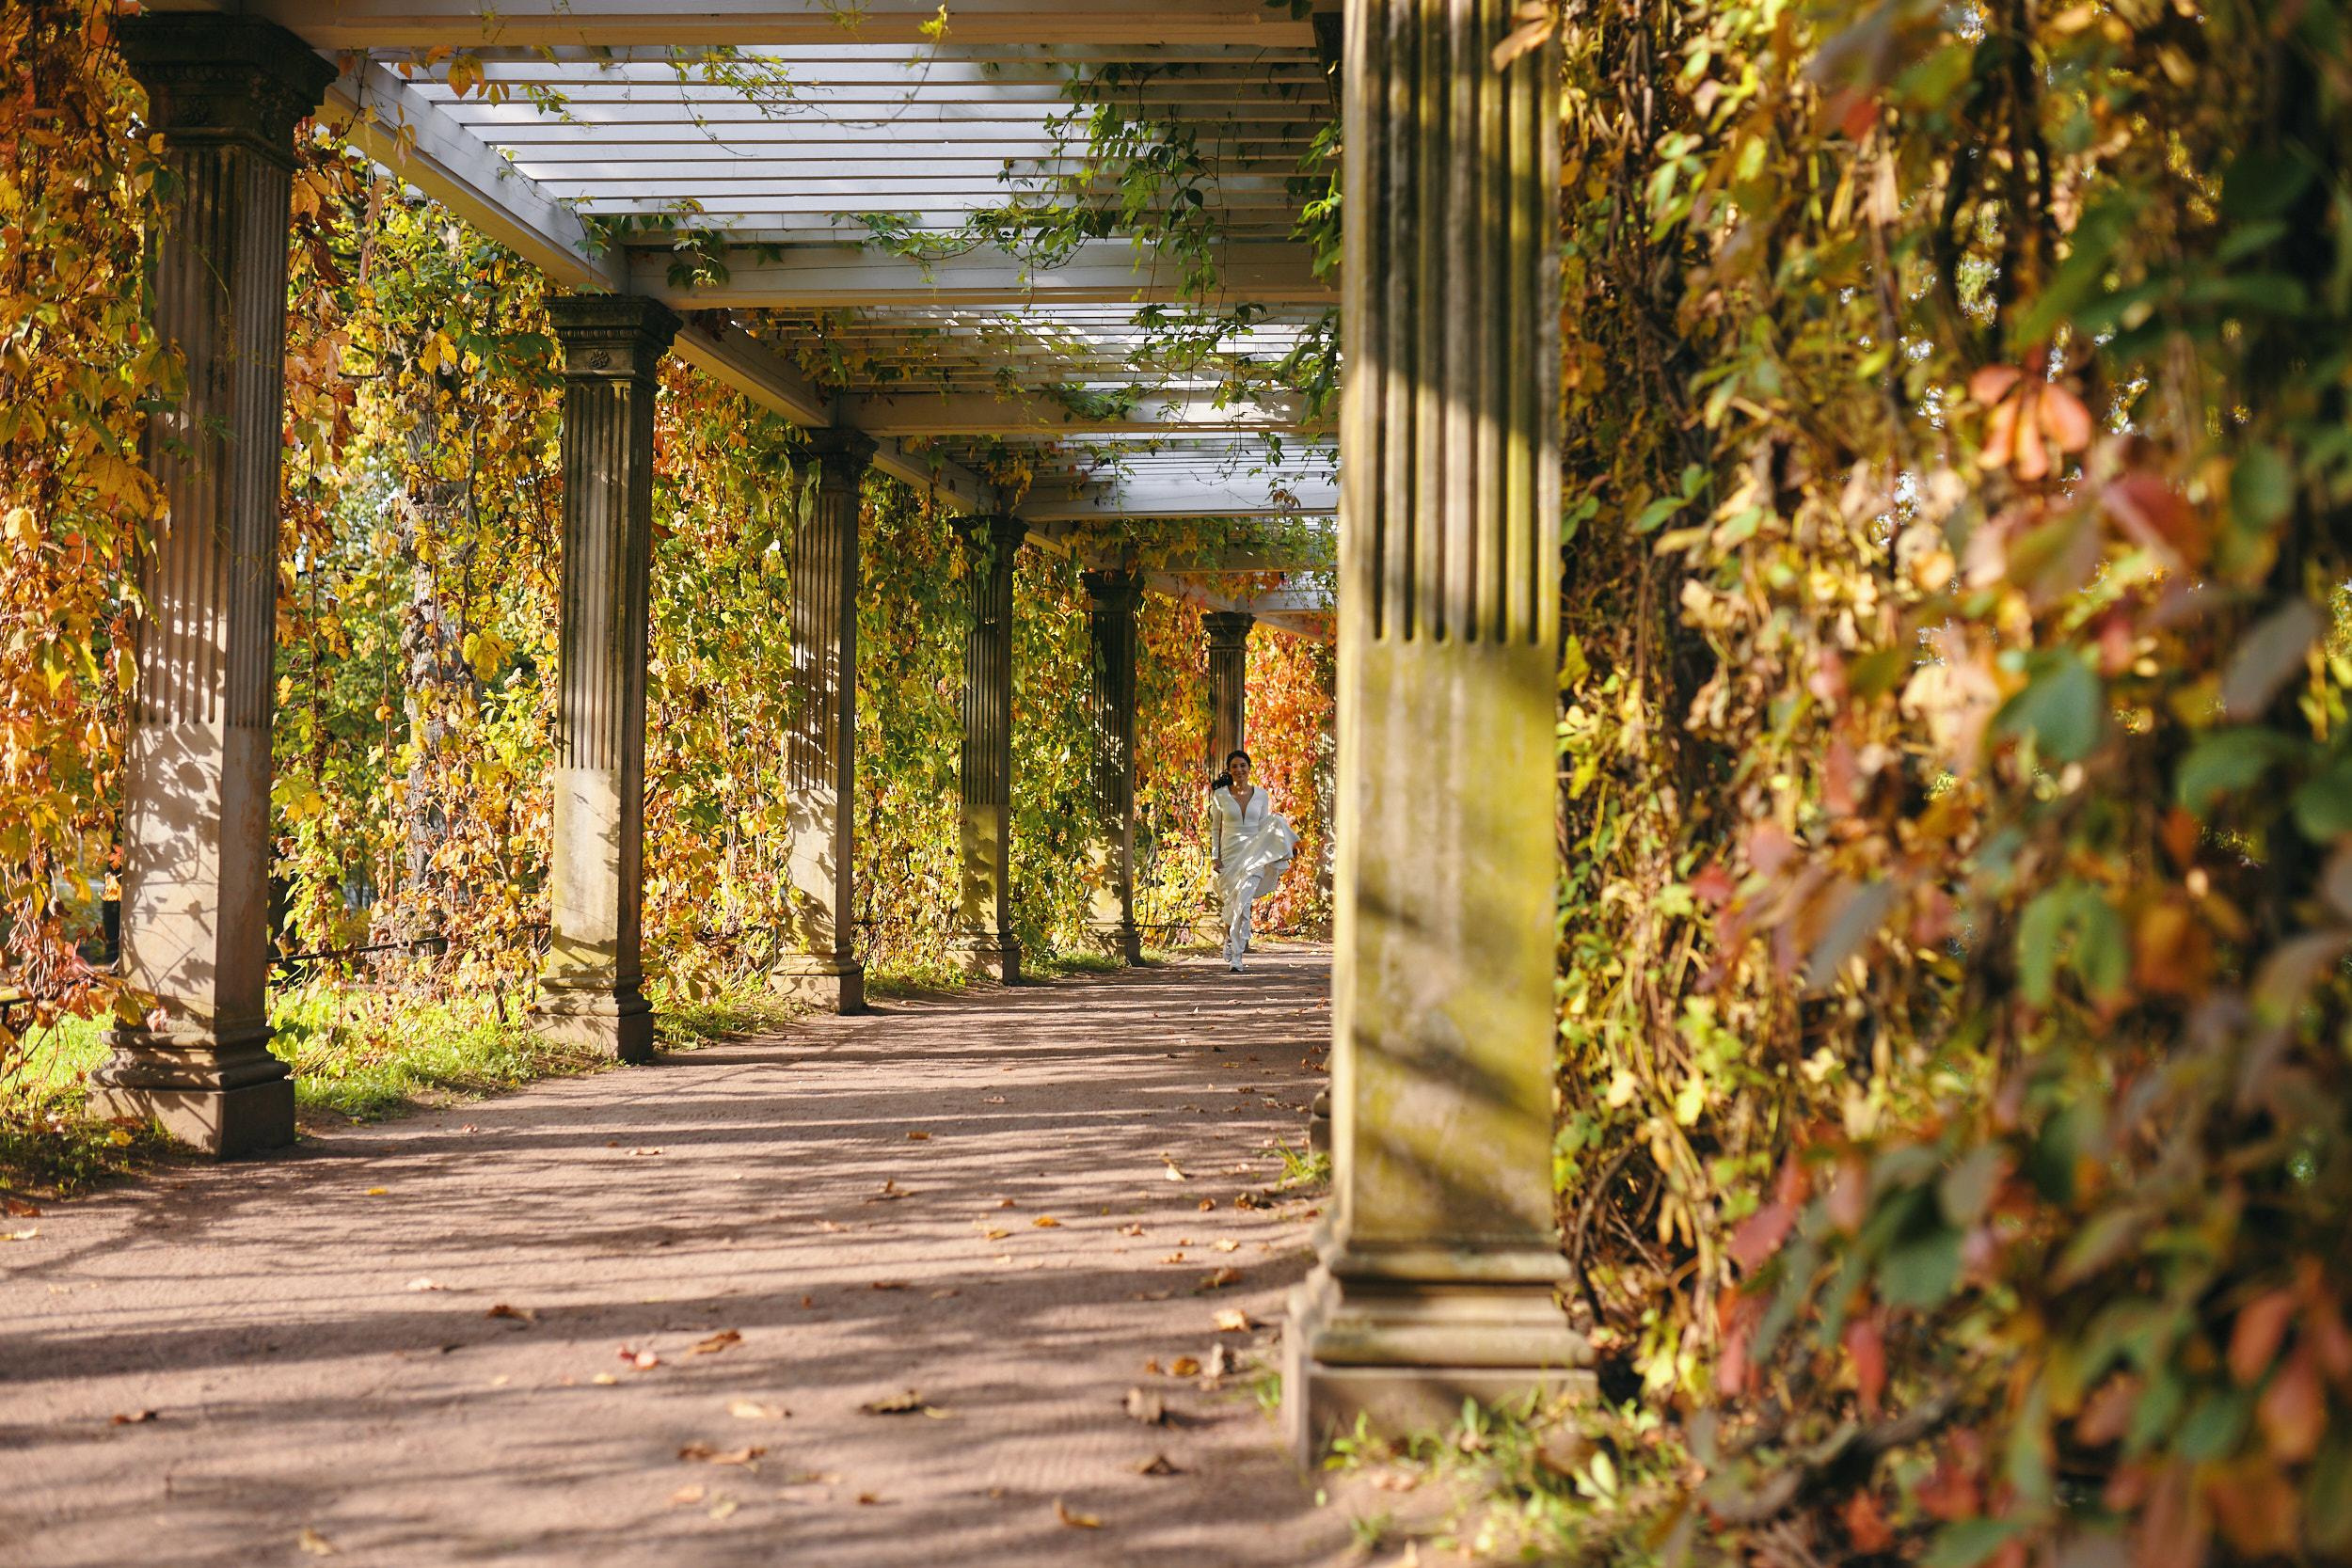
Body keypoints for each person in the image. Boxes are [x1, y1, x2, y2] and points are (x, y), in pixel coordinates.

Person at [1206, 749, 1296, 974]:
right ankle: (1229, 938)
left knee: (1244, 903)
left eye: (1243, 766)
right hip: (1230, 855)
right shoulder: (1220, 796)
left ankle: (1237, 955)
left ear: (1249, 768)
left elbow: (1263, 825)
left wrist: (1276, 824)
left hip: (1254, 854)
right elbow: (1216, 828)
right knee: (1232, 903)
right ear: (1229, 770)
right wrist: (1215, 856)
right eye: (1235, 766)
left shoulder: (1262, 795)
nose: (1239, 770)